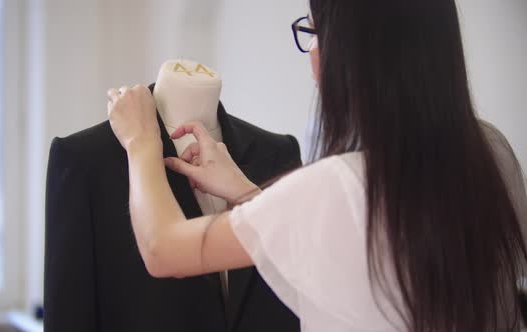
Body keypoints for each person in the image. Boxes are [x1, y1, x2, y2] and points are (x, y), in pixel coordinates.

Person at [105, 0, 527, 331]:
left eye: (312, 30)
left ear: (348, 52)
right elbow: (365, 246)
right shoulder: (493, 152)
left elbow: (163, 248)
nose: (313, 53)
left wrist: (141, 141)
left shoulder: (336, 186)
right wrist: (249, 195)